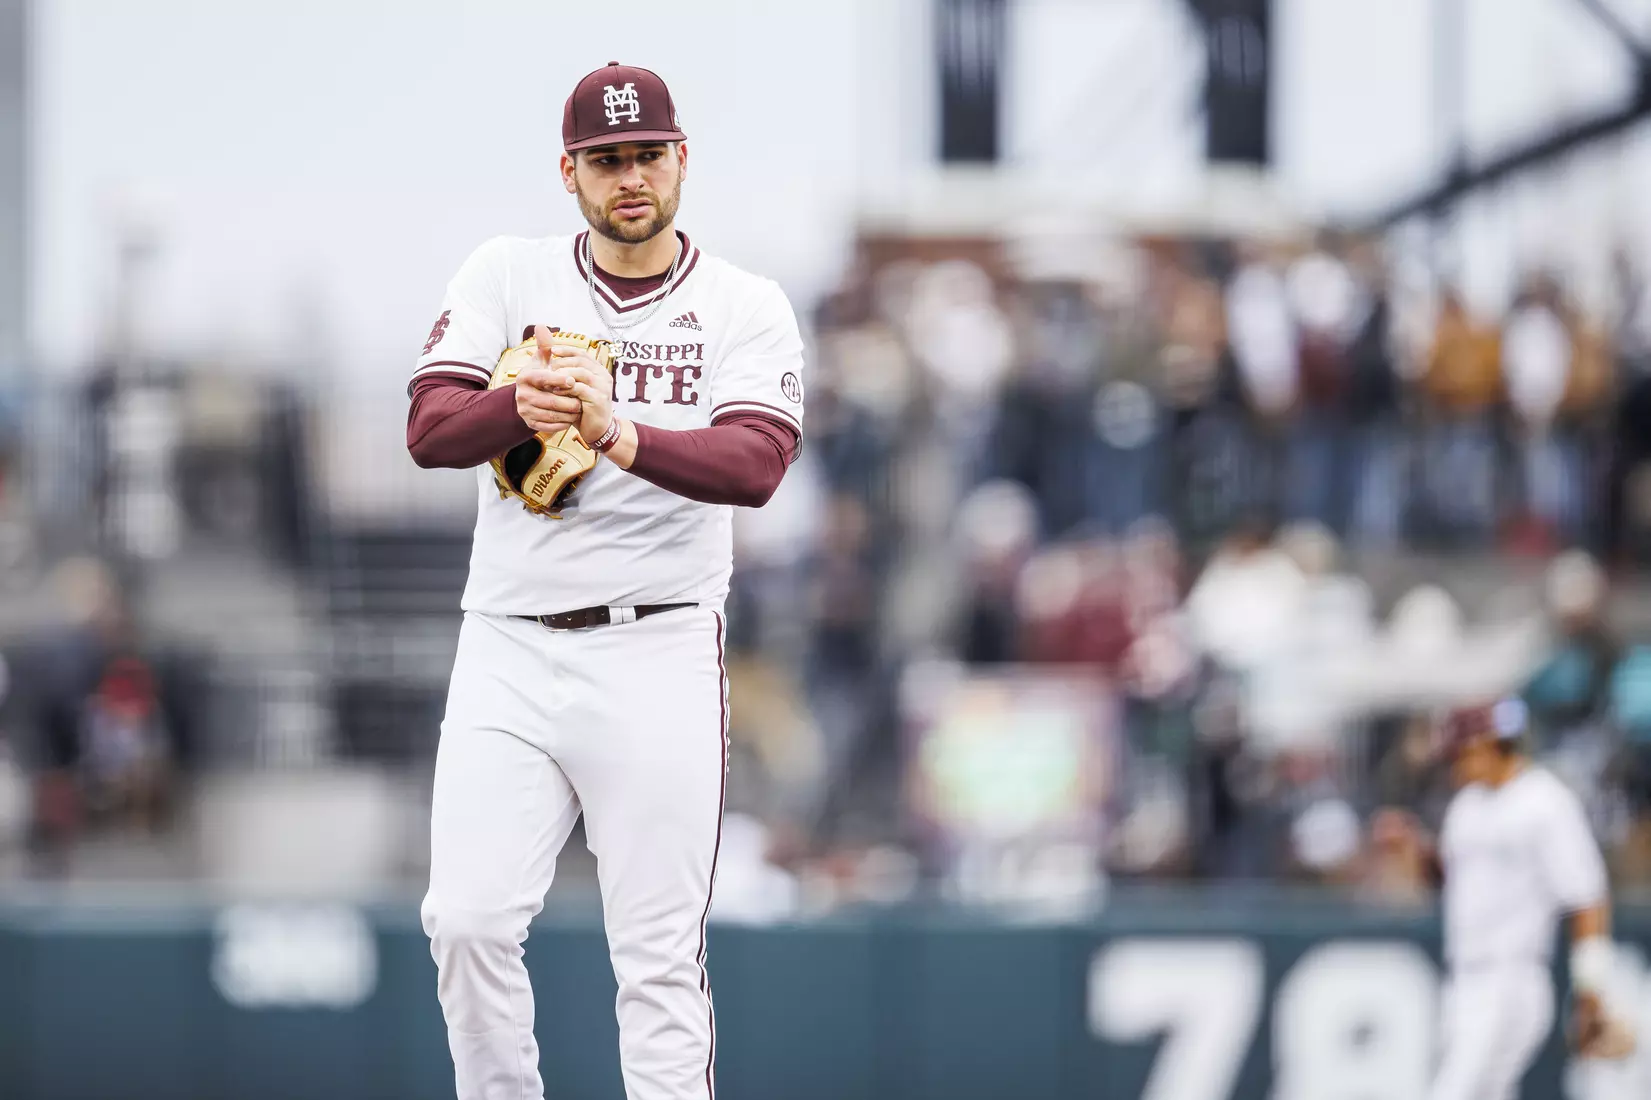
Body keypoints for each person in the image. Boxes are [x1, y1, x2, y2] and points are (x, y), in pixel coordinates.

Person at [405, 62, 805, 1100]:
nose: (630, 176)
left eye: (646, 154)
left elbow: (754, 464)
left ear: (681, 159)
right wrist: (524, 403)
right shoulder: (507, 272)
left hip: (658, 643)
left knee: (659, 954)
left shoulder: (740, 304)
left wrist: (613, 429)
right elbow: (430, 430)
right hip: (510, 639)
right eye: (606, 159)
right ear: (569, 172)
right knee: (467, 917)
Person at [1428, 699, 1635, 1100]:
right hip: (1463, 977)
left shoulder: (1544, 802)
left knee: (1452, 1092)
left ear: (1491, 745)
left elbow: (1587, 897)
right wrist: (1419, 856)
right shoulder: (1466, 806)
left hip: (1510, 976)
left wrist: (1591, 990)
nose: (1454, 764)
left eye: (1461, 751)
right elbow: (1458, 886)